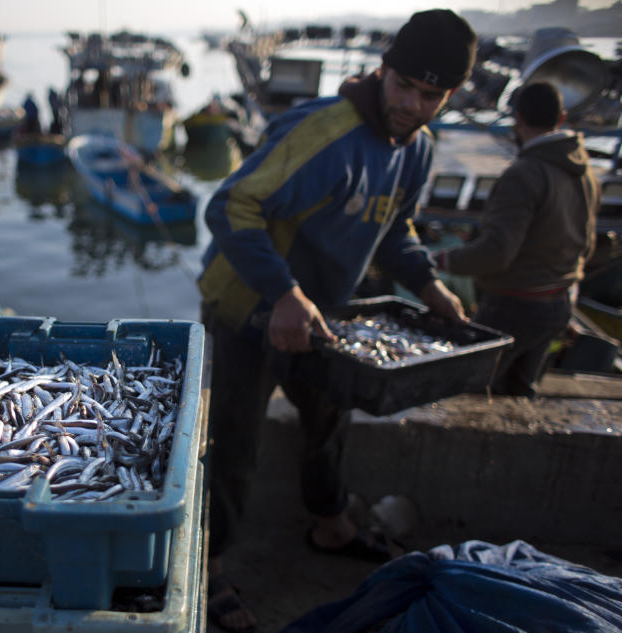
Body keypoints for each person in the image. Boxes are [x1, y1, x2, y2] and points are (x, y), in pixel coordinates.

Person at [198, 10, 477, 633]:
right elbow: (231, 203)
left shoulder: (418, 148)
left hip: (321, 317)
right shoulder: (326, 133)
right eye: (402, 84)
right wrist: (284, 293)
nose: (411, 103)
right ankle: (207, 565)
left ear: (449, 95)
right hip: (246, 306)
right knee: (234, 443)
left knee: (328, 418)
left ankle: (329, 523)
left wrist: (429, 285)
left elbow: (393, 226)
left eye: (429, 94)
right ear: (383, 70)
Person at [434, 81, 600, 397]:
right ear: (561, 118)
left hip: (513, 306)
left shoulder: (524, 174)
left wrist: (441, 261)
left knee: (471, 391)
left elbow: (497, 252)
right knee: (520, 392)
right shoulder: (584, 171)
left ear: (517, 118)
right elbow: (588, 245)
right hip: (560, 304)